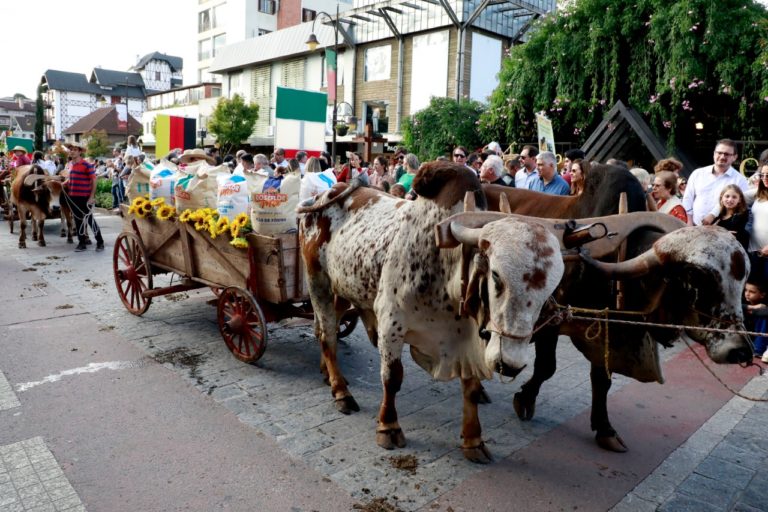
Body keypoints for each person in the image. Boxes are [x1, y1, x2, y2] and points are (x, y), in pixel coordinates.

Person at [683, 139, 748, 225]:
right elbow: (688, 199)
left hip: (722, 230)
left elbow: (741, 207)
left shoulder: (740, 180)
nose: (722, 157)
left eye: (727, 154)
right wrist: (689, 221)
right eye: (719, 153)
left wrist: (714, 215)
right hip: (693, 226)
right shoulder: (698, 174)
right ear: (714, 154)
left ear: (735, 157)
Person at [63, 142, 104, 252]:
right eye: (70, 149)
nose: (72, 151)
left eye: (75, 149)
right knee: (77, 220)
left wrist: (92, 197)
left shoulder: (86, 165)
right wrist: (65, 183)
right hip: (73, 197)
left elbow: (94, 180)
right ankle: (82, 243)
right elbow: (71, 178)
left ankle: (100, 242)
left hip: (85, 197)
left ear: (80, 152)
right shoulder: (70, 164)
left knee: (90, 220)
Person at [712, 184, 750, 251]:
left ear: (740, 200)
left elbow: (740, 235)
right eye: (727, 196)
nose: (730, 200)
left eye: (734, 197)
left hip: (735, 254)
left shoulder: (742, 215)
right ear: (722, 198)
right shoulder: (718, 216)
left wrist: (721, 234)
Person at [743, 280, 768, 359]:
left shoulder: (764, 304)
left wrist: (752, 311)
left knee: (764, 317)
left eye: (752, 292)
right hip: (747, 335)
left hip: (760, 337)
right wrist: (751, 307)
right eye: (746, 290)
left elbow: (765, 311)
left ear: (762, 295)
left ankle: (759, 349)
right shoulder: (743, 301)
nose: (747, 294)